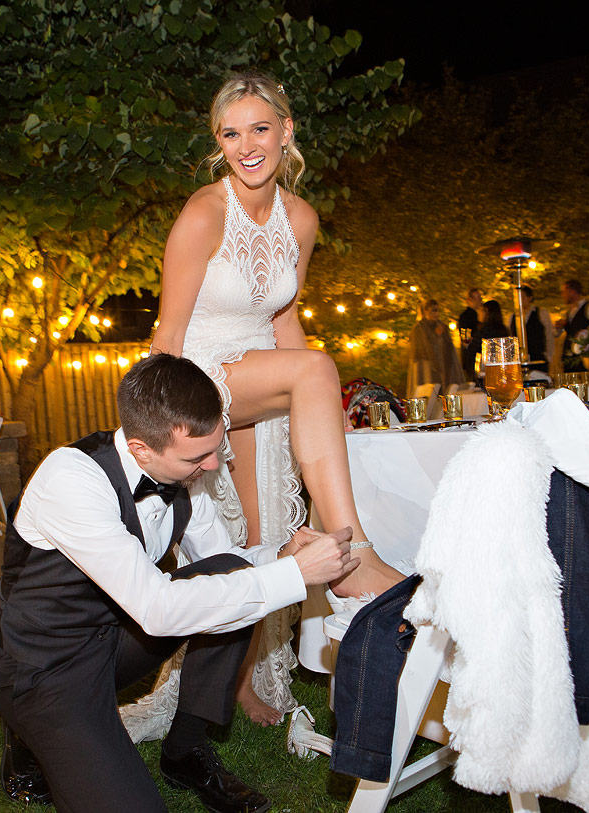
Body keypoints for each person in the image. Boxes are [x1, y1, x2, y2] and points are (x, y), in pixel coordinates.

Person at [0, 353, 362, 813]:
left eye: (216, 449)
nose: (212, 466)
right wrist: (295, 576)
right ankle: (30, 733)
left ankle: (184, 749)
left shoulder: (185, 475)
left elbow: (226, 564)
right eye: (198, 456)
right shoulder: (71, 480)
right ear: (143, 448)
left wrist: (282, 556)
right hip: (48, 666)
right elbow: (158, 608)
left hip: (117, 642)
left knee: (233, 571)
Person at [150, 70, 404, 725]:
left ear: (286, 131)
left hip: (260, 373)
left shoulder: (302, 218)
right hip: (200, 373)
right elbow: (169, 332)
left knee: (258, 541)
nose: (246, 145)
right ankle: (354, 556)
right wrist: (164, 427)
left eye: (259, 128)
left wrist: (314, 393)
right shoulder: (204, 212)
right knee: (316, 368)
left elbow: (285, 317)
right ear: (218, 143)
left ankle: (232, 685)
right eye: (230, 134)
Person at [406, 298, 465, 397]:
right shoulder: (419, 328)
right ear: (426, 311)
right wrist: (435, 336)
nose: (436, 314)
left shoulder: (442, 326)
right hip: (427, 368)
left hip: (444, 368)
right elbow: (421, 350)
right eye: (433, 310)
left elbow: (448, 349)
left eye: (438, 310)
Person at [556, 279, 589, 373]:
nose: (562, 295)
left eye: (564, 292)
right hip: (569, 359)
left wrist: (587, 335)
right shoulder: (569, 311)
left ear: (572, 291)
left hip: (585, 359)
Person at [508, 285, 556, 374]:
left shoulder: (541, 313)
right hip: (519, 361)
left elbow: (549, 335)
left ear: (530, 298)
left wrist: (549, 356)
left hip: (538, 358)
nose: (520, 300)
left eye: (523, 297)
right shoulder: (512, 317)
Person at [458, 288, 484, 379]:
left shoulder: (474, 315)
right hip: (472, 357)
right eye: (478, 298)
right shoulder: (467, 316)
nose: (481, 301)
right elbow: (466, 339)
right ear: (470, 300)